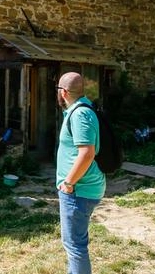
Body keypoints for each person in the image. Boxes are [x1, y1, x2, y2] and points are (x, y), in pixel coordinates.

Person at [55, 72, 106, 274]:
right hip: (81, 188)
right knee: (75, 245)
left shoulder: (79, 114)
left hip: (78, 190)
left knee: (75, 246)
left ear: (64, 92)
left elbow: (87, 153)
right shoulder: (82, 109)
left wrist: (68, 183)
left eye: (58, 89)